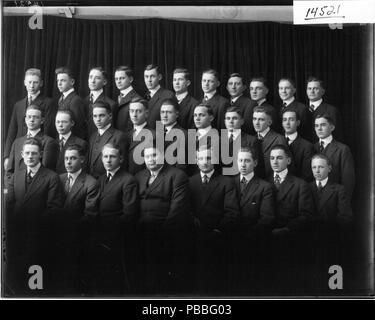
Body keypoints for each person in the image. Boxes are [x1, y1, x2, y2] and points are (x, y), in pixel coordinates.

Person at [5, 138, 62, 295]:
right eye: (27, 153)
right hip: (17, 236)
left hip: (39, 237)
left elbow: (54, 209)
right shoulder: (16, 176)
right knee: (17, 279)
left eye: (34, 153)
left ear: (41, 155)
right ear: (22, 154)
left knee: (36, 284)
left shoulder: (51, 177)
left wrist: (31, 223)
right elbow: (8, 206)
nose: (30, 156)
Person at [135, 146, 192, 293]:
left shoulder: (177, 175)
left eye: (154, 155)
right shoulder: (139, 176)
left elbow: (177, 208)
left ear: (164, 156)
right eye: (147, 156)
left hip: (165, 231)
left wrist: (163, 231)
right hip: (141, 230)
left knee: (163, 271)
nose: (151, 159)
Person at [189, 147, 239, 293]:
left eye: (209, 158)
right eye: (201, 159)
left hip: (218, 235)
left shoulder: (226, 182)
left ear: (215, 161)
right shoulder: (189, 181)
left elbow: (232, 212)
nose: (205, 162)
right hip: (194, 235)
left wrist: (218, 229)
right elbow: (185, 209)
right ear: (197, 161)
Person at [93, 143, 138, 294]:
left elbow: (129, 213)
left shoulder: (128, 180)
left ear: (121, 159)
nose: (108, 160)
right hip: (99, 233)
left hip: (118, 235)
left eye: (112, 156)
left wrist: (109, 231)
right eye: (105, 156)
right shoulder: (99, 180)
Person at [268, 144, 314, 289]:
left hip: (290, 241)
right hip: (265, 240)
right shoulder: (262, 182)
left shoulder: (300, 185)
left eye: (279, 158)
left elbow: (306, 215)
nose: (275, 162)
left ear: (288, 160)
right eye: (272, 158)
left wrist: (287, 229)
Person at [232, 147, 275, 293]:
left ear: (255, 163)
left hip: (253, 241)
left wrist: (247, 236)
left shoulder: (265, 187)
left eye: (247, 161)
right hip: (229, 239)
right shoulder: (228, 183)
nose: (243, 164)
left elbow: (267, 218)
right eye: (240, 160)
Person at [58, 144, 99, 293]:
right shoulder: (59, 179)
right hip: (56, 236)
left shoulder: (90, 183)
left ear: (82, 159)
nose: (68, 162)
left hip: (78, 238)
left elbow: (90, 216)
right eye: (66, 158)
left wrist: (66, 230)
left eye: (73, 158)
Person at [309, 154, 353, 290]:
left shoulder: (339, 189)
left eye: (321, 167)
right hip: (308, 240)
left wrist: (327, 227)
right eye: (314, 167)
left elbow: (346, 218)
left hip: (331, 240)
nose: (317, 170)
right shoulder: (305, 187)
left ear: (329, 168)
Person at [4, 68, 56, 170]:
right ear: (24, 83)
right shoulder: (18, 105)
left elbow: (48, 131)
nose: (32, 86)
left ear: (41, 83)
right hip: (19, 151)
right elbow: (12, 131)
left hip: (37, 152)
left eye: (35, 82)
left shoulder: (48, 103)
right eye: (29, 82)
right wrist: (7, 156)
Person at [7, 105, 59, 178]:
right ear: (25, 120)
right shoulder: (17, 142)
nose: (31, 120)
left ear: (42, 120)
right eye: (29, 117)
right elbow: (9, 172)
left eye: (35, 117)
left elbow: (46, 172)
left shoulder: (49, 142)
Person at [313, 113, 355, 199]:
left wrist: (342, 202)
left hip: (334, 201)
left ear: (332, 127)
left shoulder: (342, 149)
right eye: (316, 126)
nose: (319, 128)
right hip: (313, 200)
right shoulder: (311, 148)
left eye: (323, 125)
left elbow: (348, 181)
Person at [87, 101, 127, 178]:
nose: (98, 119)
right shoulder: (92, 136)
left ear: (110, 116)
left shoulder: (119, 136)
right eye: (95, 116)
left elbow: (122, 165)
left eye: (101, 116)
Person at [252, 106, 287, 178]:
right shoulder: (251, 139)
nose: (257, 123)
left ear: (270, 122)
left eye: (261, 120)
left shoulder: (279, 139)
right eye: (254, 119)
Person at [221, 107, 257, 175]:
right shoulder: (218, 140)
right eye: (228, 118)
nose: (231, 121)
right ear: (224, 121)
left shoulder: (251, 140)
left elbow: (254, 166)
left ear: (242, 121)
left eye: (234, 118)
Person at [306, 76, 343, 141]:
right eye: (309, 88)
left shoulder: (331, 111)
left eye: (315, 88)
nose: (312, 91)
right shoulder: (301, 109)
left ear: (322, 91)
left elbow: (337, 135)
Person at [282, 109, 314, 182]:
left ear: (298, 123)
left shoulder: (307, 146)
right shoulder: (277, 141)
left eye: (291, 120)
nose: (287, 123)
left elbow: (307, 175)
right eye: (284, 120)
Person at [55, 66, 87, 139]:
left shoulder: (75, 100)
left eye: (63, 80)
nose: (59, 84)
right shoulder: (61, 99)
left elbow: (78, 127)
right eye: (58, 80)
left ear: (72, 82)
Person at [126, 97, 155, 175]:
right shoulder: (126, 135)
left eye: (138, 111)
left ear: (146, 113)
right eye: (132, 111)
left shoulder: (154, 136)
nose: (134, 115)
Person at [85, 67, 116, 137]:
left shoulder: (111, 104)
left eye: (97, 78)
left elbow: (110, 132)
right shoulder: (82, 101)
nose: (92, 81)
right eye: (90, 77)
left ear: (104, 82)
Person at [160, 99, 188, 174]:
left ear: (177, 114)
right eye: (162, 112)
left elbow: (181, 166)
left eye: (169, 112)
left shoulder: (184, 135)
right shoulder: (158, 134)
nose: (165, 116)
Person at [143, 64, 175, 128]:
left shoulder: (168, 95)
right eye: (146, 77)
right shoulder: (143, 96)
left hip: (160, 136)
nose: (149, 80)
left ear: (159, 77)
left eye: (152, 76)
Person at [113, 65, 142, 133]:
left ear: (130, 79)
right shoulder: (117, 98)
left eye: (122, 78)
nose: (118, 81)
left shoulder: (137, 99)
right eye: (116, 79)